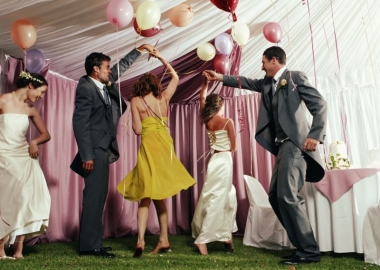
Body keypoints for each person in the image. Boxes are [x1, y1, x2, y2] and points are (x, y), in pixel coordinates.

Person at [203, 46, 327, 265]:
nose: (261, 66)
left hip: (296, 145)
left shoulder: (294, 77)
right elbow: (246, 81)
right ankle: (301, 247)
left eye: (263, 62)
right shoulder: (268, 83)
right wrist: (220, 77)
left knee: (287, 196)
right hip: (282, 147)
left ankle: (309, 251)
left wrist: (315, 134)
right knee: (275, 197)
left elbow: (320, 105)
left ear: (273, 61)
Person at [71, 44, 155, 258]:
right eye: (106, 67)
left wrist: (138, 50)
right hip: (94, 151)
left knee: (99, 196)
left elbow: (120, 69)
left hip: (102, 149)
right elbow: (80, 124)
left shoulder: (103, 84)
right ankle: (90, 247)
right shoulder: (86, 87)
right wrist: (87, 155)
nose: (110, 70)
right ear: (95, 70)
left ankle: (94, 242)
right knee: (93, 196)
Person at [116, 51, 196, 258]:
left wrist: (144, 122)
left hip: (148, 145)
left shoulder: (135, 101)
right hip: (165, 146)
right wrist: (161, 58)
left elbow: (136, 130)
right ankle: (164, 238)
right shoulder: (164, 98)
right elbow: (176, 77)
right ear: (155, 85)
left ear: (140, 86)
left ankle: (141, 240)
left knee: (145, 195)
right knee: (158, 195)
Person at [0, 71, 51, 260]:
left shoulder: (30, 109)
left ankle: (19, 250)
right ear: (31, 85)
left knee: (30, 197)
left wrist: (34, 142)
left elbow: (46, 134)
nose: (41, 96)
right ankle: (1, 248)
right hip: (3, 157)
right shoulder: (3, 100)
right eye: (41, 91)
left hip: (24, 156)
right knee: (8, 200)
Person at [191, 76, 238, 255]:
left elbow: (202, 98)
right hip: (225, 160)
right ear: (220, 106)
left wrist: (205, 83)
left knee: (224, 196)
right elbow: (234, 147)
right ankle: (203, 239)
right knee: (219, 198)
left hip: (213, 161)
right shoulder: (227, 121)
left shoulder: (207, 119)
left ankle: (226, 236)